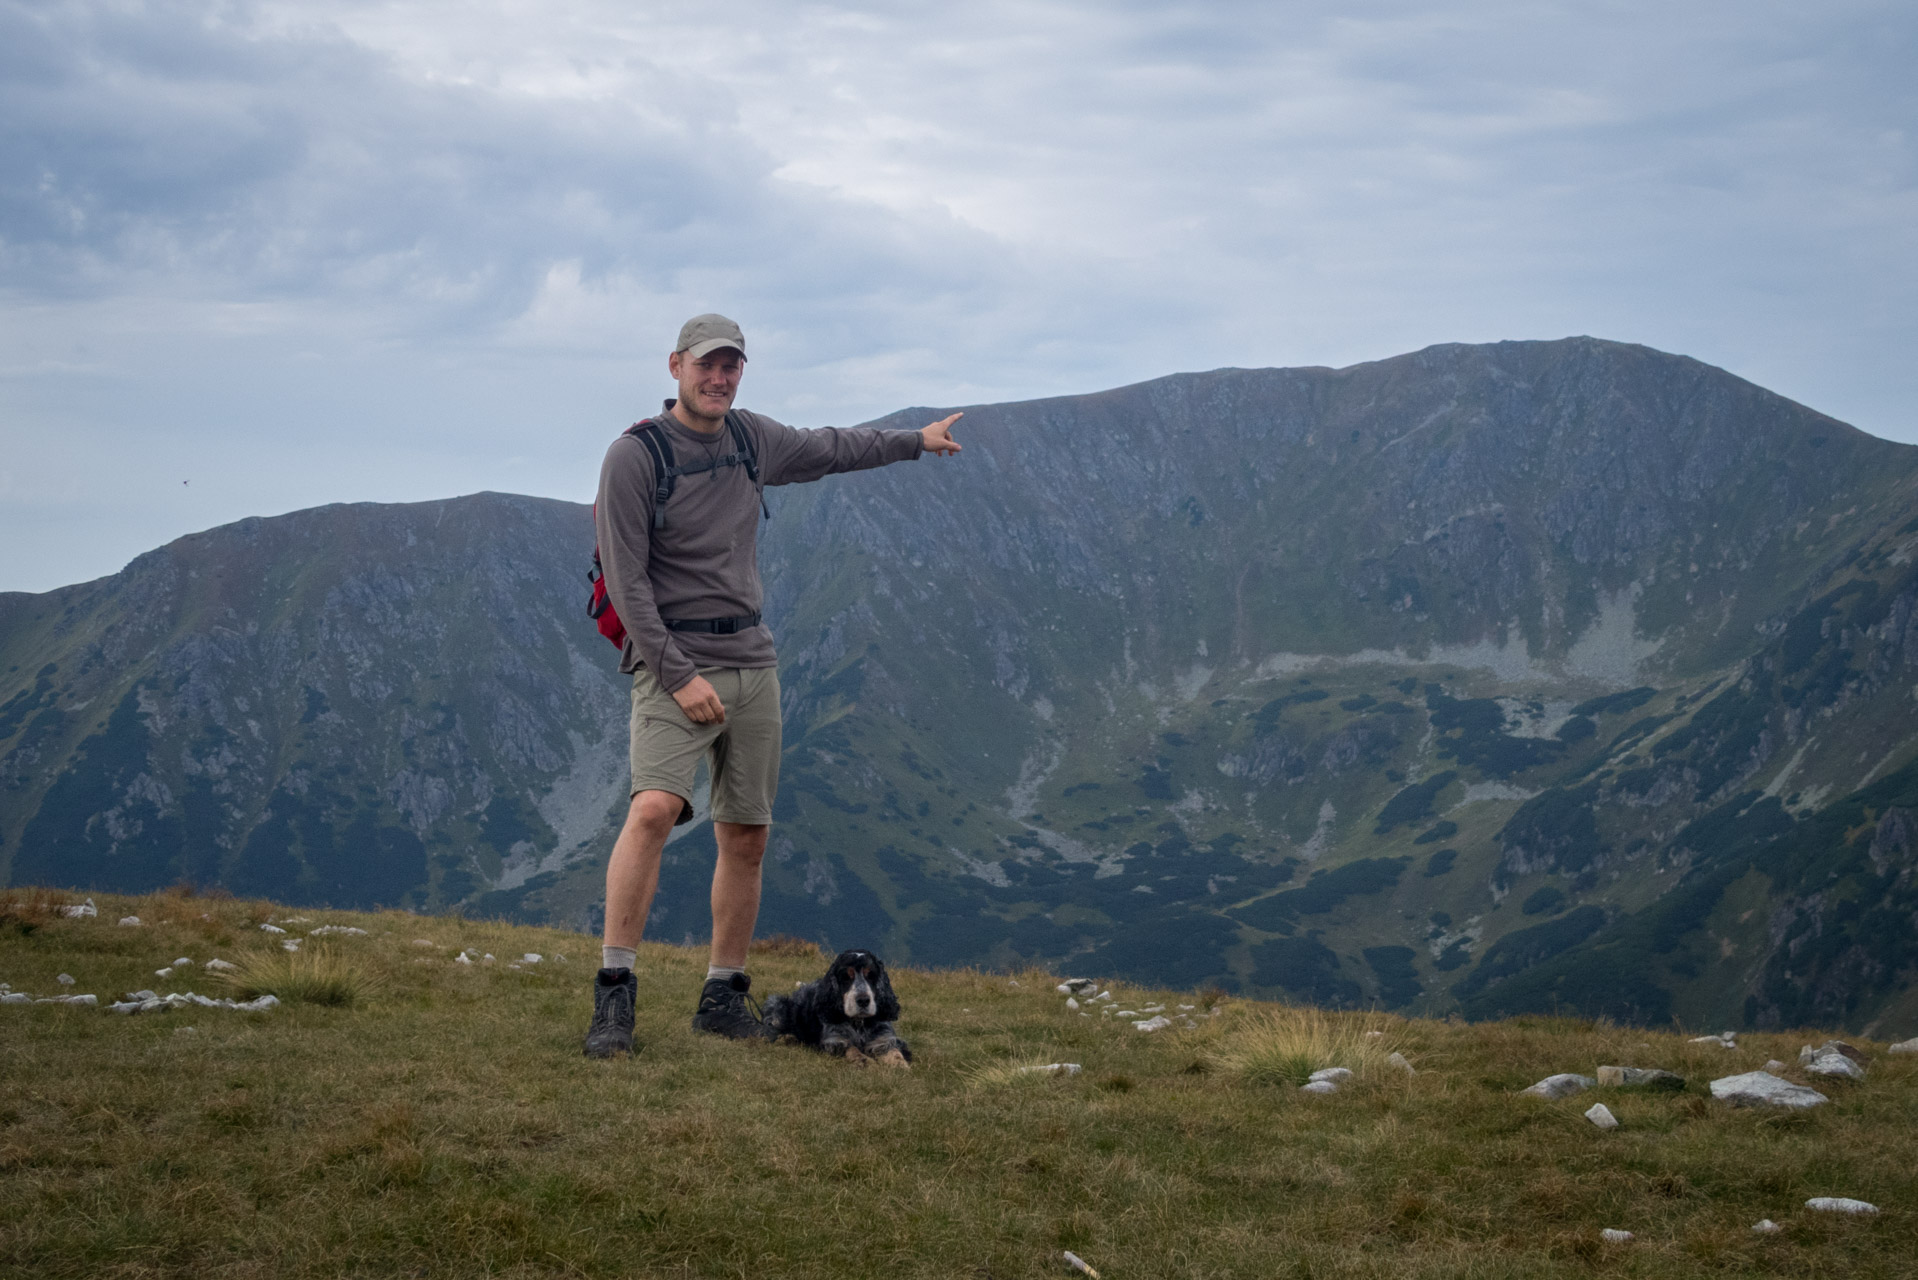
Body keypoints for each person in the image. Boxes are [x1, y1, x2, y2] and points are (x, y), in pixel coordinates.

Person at [582, 313, 962, 1058]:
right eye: (706, 365)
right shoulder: (634, 457)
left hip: (753, 659)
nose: (719, 377)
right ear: (675, 367)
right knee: (655, 809)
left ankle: (723, 997)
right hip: (673, 662)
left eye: (731, 366)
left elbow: (830, 447)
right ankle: (614, 998)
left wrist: (916, 441)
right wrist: (679, 674)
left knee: (746, 833)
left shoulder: (751, 439)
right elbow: (626, 584)